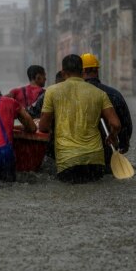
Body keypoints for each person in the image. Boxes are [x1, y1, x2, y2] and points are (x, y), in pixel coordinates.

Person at [38, 54, 121, 183]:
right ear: (82, 72)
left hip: (68, 160)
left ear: (63, 72)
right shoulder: (99, 93)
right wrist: (112, 136)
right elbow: (115, 123)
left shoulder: (52, 91)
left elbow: (43, 126)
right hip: (95, 160)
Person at [81, 53, 133, 174]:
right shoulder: (114, 94)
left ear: (81, 71)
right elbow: (125, 125)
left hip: (79, 155)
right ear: (97, 71)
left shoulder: (72, 96)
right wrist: (123, 145)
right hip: (108, 154)